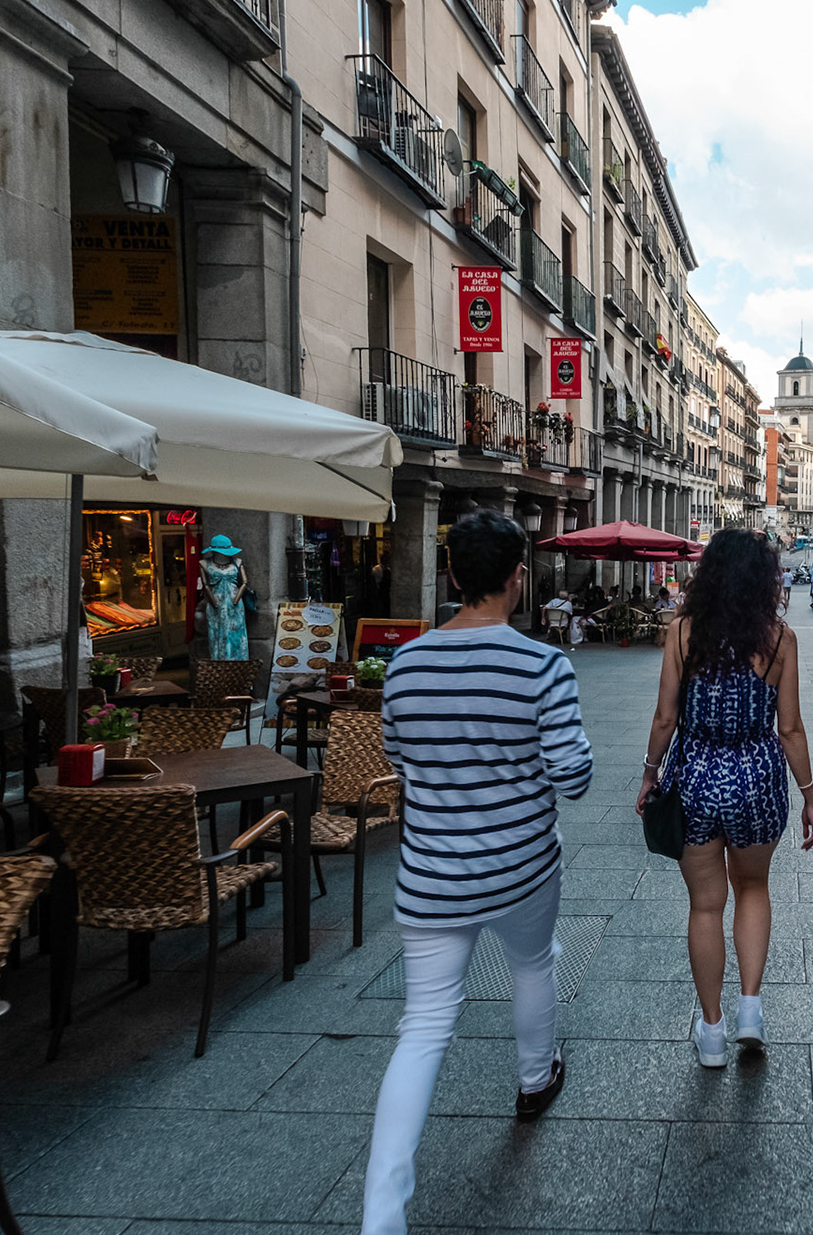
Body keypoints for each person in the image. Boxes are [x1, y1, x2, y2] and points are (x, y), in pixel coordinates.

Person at [361, 511, 592, 1235]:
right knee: (532, 965)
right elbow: (574, 776)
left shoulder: (405, 664)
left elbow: (398, 756)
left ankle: (381, 1215)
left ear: (453, 575)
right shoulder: (542, 665)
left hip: (431, 873)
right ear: (516, 578)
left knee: (424, 1024)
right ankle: (533, 1079)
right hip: (523, 866)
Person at [637, 529, 813, 1068]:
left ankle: (712, 1033)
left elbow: (666, 717)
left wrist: (650, 776)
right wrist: (809, 796)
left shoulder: (681, 633)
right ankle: (750, 1010)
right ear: (764, 580)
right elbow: (790, 729)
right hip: (758, 779)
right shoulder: (780, 640)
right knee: (753, 888)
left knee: (704, 905)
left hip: (694, 775)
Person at [198, 535, 250, 661]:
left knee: (236, 634)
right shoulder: (204, 564)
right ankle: (220, 667)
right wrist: (214, 603)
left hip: (235, 605)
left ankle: (239, 667)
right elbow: (206, 585)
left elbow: (244, 582)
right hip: (215, 603)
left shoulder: (237, 563)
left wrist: (236, 599)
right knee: (216, 635)